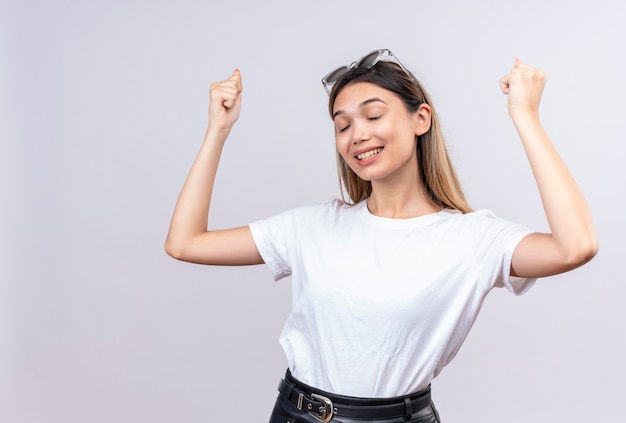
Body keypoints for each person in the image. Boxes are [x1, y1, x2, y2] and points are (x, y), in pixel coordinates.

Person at [165, 49, 598, 423]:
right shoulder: (312, 227)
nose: (358, 135)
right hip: (294, 413)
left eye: (373, 115)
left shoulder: (472, 239)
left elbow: (575, 246)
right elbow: (185, 242)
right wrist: (217, 131)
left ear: (420, 118)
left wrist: (526, 116)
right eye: (343, 125)